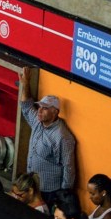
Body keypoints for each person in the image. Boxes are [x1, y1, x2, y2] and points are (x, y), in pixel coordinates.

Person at [18, 68, 77, 205]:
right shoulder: (38, 122)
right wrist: (26, 83)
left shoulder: (62, 136)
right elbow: (26, 106)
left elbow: (69, 168)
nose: (39, 110)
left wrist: (63, 197)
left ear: (55, 112)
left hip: (49, 192)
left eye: (44, 108)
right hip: (33, 186)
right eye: (39, 107)